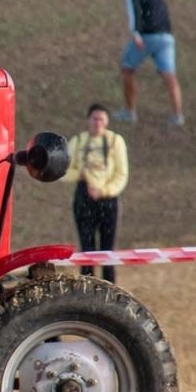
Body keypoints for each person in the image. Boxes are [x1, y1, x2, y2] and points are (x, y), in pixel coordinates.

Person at [63, 104, 129, 282]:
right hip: (83, 198)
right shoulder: (77, 141)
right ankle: (88, 288)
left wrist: (104, 191)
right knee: (87, 249)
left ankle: (110, 289)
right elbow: (63, 170)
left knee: (108, 252)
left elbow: (121, 175)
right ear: (88, 120)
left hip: (108, 199)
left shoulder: (116, 141)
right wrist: (80, 175)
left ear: (106, 121)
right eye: (94, 119)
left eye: (101, 119)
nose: (97, 123)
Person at [115, 0, 184, 126]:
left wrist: (135, 34)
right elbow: (162, 9)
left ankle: (129, 112)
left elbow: (134, 11)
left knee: (127, 69)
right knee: (170, 76)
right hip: (166, 36)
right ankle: (177, 115)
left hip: (147, 36)